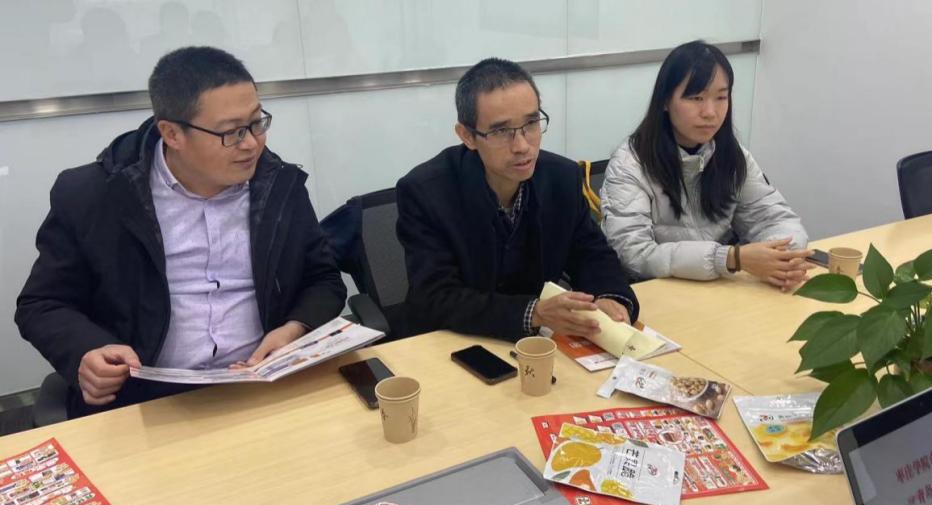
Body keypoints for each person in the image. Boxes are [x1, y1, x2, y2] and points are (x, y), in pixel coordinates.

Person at [15, 47, 345, 418]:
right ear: (172, 133)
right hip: (145, 399)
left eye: (257, 123)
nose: (252, 143)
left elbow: (323, 278)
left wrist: (294, 329)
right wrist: (87, 350)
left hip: (264, 385)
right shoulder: (94, 196)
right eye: (232, 132)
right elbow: (42, 304)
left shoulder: (279, 185)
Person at [396, 58, 639, 343]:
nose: (522, 146)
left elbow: (591, 253)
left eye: (531, 123)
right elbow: (435, 297)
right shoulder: (426, 192)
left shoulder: (562, 178)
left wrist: (611, 297)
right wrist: (533, 313)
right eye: (501, 131)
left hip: (537, 343)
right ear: (468, 136)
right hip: (448, 342)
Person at [601, 40, 811, 290]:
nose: (710, 112)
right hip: (658, 291)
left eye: (721, 97)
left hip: (720, 286)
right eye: (696, 98)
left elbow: (774, 218)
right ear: (665, 101)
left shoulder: (733, 155)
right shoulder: (630, 164)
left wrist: (781, 257)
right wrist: (729, 258)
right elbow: (634, 254)